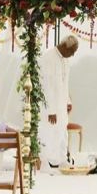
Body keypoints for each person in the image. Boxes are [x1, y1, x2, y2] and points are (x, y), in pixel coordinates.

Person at [39, 35, 79, 171]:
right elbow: (46, 86)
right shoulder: (48, 57)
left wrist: (68, 100)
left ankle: (62, 159)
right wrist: (51, 110)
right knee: (47, 132)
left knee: (62, 132)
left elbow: (65, 82)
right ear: (64, 47)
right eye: (72, 51)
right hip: (50, 106)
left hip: (61, 104)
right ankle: (44, 162)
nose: (73, 55)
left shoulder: (66, 60)